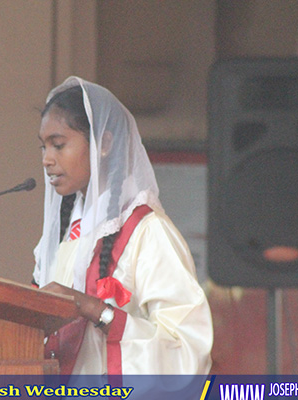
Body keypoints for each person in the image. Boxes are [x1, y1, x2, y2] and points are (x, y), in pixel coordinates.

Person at [34, 76, 212, 376]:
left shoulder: (148, 232)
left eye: (59, 145)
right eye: (43, 147)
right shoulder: (65, 234)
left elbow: (187, 350)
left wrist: (95, 310)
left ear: (103, 144)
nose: (47, 160)